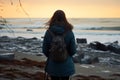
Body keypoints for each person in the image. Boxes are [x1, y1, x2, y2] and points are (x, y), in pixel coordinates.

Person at [42, 10, 76, 80]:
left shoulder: (48, 32)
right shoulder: (69, 32)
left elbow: (44, 50)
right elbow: (73, 51)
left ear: (53, 18)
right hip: (66, 65)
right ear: (65, 18)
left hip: (52, 66)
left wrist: (52, 55)